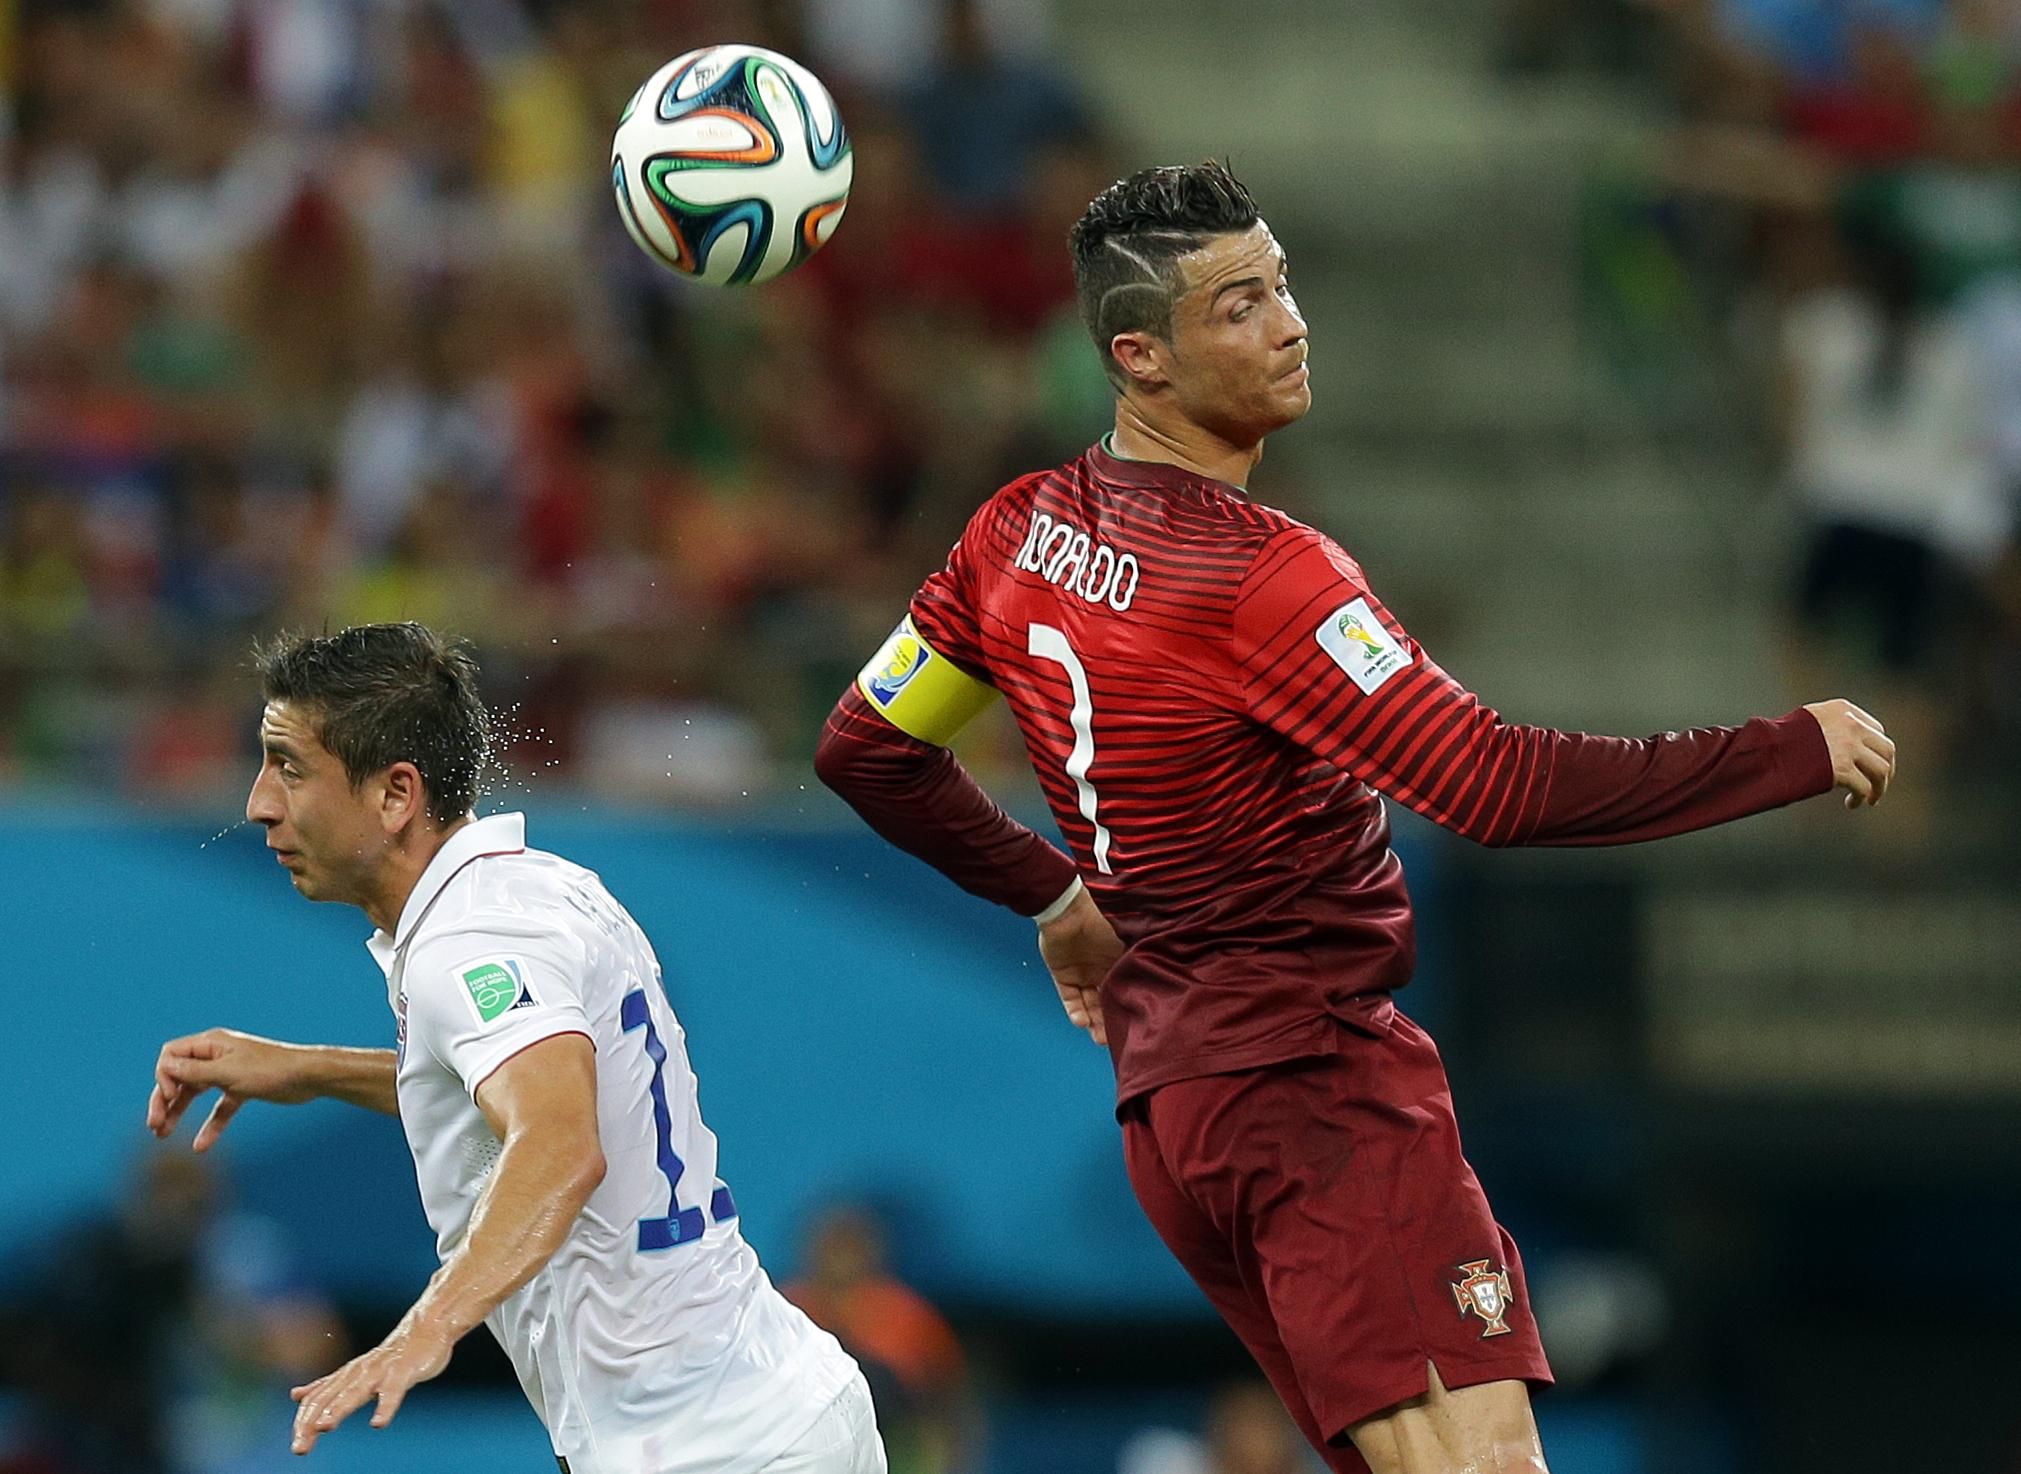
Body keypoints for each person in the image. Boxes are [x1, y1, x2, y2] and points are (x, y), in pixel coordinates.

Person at [814, 161, 1897, 1474]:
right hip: (1317, 1089)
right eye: (1238, 304)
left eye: (1282, 285)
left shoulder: (1014, 534)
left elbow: (869, 747)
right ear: (1136, 354)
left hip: (1180, 1116)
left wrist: (1054, 898)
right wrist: (1786, 747)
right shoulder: (1263, 579)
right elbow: (1490, 784)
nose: (1288, 321)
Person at [145, 622, 884, 1474]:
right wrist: (313, 1070)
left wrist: (423, 1331)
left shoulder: (470, 940)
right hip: (754, 1405)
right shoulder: (534, 886)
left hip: (708, 1448)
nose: (258, 802)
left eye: (289, 766)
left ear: (395, 794)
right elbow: (525, 1088)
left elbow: (561, 1144)